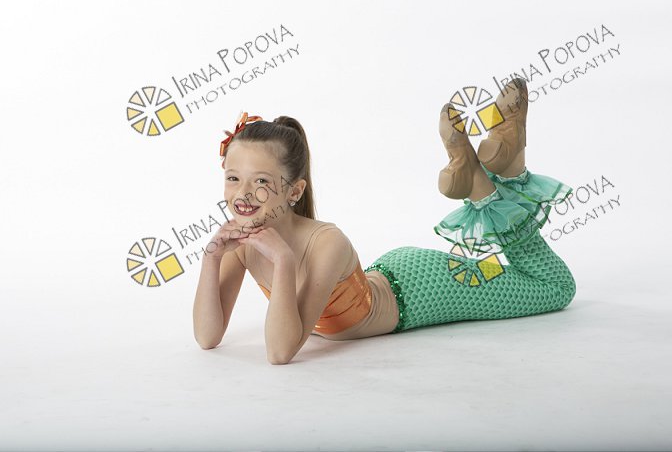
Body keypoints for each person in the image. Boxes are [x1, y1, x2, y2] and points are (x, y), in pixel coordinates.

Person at [192, 78, 577, 364]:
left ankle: (487, 176)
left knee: (554, 288)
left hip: (424, 291)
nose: (242, 194)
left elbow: (280, 352)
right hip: (388, 273)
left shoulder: (326, 242)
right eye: (233, 178)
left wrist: (283, 259)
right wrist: (211, 257)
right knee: (532, 281)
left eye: (261, 181)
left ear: (294, 191)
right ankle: (500, 168)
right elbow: (207, 337)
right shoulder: (242, 245)